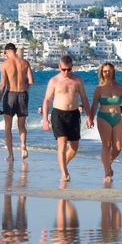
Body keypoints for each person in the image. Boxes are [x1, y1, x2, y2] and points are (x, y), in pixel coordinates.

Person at [40, 55, 92, 183]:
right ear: (59, 67)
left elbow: (84, 98)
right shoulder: (54, 81)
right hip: (58, 114)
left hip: (74, 114)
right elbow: (46, 100)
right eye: (64, 70)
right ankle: (64, 173)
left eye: (69, 69)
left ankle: (63, 164)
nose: (66, 72)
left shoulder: (77, 80)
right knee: (62, 142)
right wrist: (45, 119)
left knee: (74, 147)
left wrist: (89, 116)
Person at [89, 62, 122, 183]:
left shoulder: (120, 87)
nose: (107, 73)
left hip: (117, 118)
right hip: (103, 117)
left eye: (109, 71)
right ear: (102, 73)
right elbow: (94, 105)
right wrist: (90, 118)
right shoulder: (99, 89)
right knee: (106, 145)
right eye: (105, 71)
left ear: (113, 72)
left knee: (118, 147)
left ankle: (107, 162)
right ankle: (107, 173)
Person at [0, 43, 34, 161]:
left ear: (5, 52)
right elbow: (31, 81)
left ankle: (11, 155)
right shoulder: (25, 63)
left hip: (10, 95)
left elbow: (2, 84)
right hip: (23, 95)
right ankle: (23, 146)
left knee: (8, 127)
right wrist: (25, 88)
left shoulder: (4, 65)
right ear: (15, 50)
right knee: (22, 126)